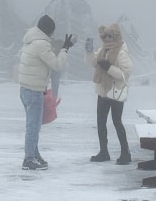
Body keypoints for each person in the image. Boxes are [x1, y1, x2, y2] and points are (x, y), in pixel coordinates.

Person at [18, 14, 73, 170]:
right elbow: (56, 64)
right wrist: (65, 49)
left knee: (34, 126)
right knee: (33, 127)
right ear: (48, 30)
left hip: (25, 89)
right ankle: (29, 159)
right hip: (34, 90)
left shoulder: (30, 40)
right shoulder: (42, 44)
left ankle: (34, 155)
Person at [85, 23, 133, 165]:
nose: (106, 39)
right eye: (104, 36)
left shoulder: (121, 52)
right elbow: (94, 63)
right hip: (103, 91)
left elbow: (126, 74)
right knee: (101, 122)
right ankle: (103, 152)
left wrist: (110, 68)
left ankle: (125, 153)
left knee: (117, 122)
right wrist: (88, 52)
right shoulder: (102, 51)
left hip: (116, 91)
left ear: (116, 37)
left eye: (109, 36)